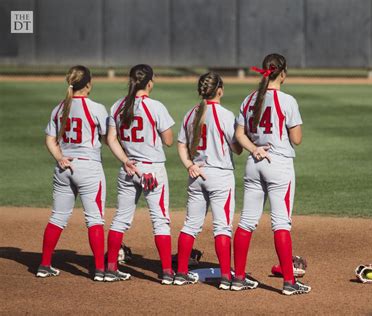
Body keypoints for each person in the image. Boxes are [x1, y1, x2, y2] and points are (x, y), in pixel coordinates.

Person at [232, 53, 311, 295]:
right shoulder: (287, 101)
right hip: (279, 165)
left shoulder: (249, 99)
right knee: (281, 224)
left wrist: (255, 148)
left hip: (254, 162)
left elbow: (238, 135)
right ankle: (289, 282)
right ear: (283, 73)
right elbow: (296, 139)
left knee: (246, 222)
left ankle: (239, 278)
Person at [38, 65, 108, 281]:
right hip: (88, 168)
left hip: (63, 167)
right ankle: (99, 270)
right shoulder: (96, 108)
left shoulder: (59, 108)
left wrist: (60, 157)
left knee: (57, 217)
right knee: (95, 219)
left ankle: (44, 265)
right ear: (88, 84)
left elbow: (50, 139)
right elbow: (107, 138)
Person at [106, 64, 175, 283]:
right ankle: (166, 272)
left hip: (128, 168)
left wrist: (126, 160)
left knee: (121, 219)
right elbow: (169, 140)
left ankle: (110, 268)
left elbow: (110, 139)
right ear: (150, 82)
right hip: (152, 170)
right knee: (160, 220)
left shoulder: (117, 106)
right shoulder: (155, 106)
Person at [174, 72, 242, 289]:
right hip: (220, 175)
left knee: (190, 225)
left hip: (196, 174)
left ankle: (181, 273)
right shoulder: (225, 115)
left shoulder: (190, 114)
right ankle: (225, 277)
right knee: (222, 227)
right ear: (220, 90)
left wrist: (190, 165)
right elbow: (237, 148)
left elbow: (181, 145)